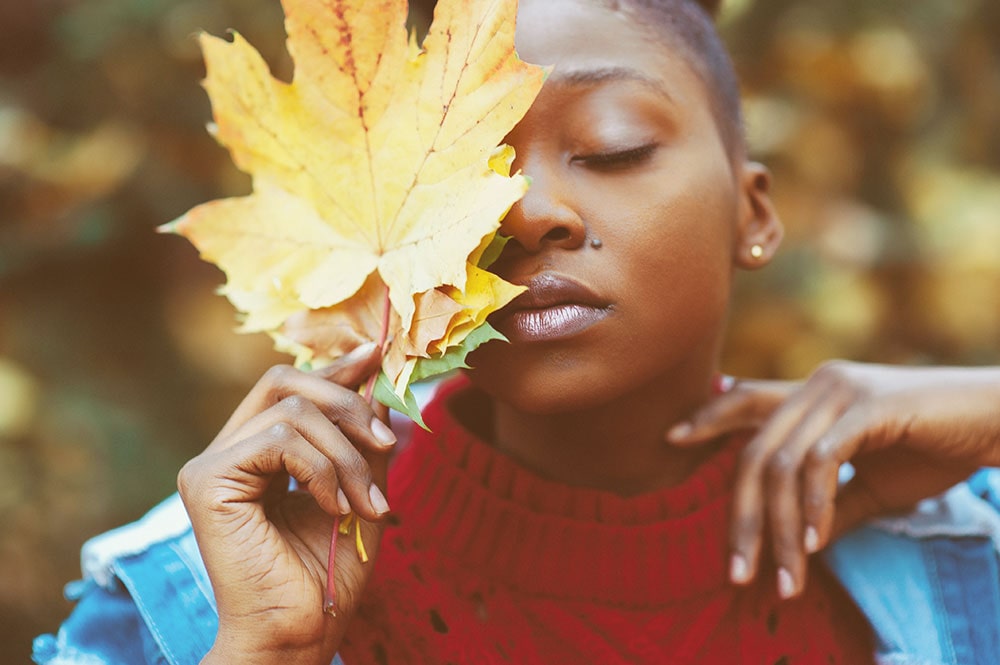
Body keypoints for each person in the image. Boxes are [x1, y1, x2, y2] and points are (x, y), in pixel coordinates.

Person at [32, 0, 1000, 663]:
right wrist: (260, 649)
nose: (527, 211)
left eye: (611, 144)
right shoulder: (194, 587)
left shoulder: (958, 537)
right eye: (469, 170)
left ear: (753, 214)